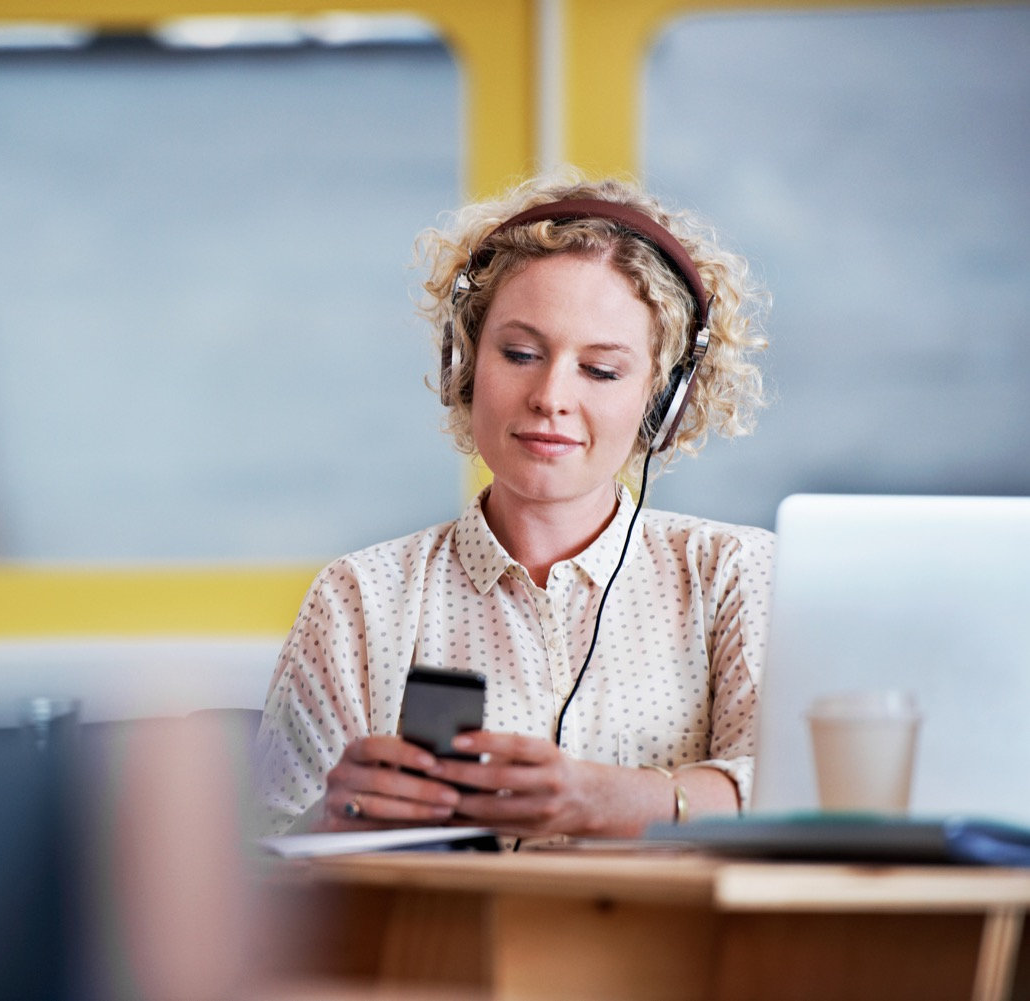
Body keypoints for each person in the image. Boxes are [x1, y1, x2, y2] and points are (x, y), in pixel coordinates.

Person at [254, 171, 772, 840]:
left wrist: (607, 799)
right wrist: (328, 821)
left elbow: (801, 797)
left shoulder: (733, 572)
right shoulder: (358, 598)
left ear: (663, 398)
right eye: (521, 353)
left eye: (602, 369)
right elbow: (257, 867)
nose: (550, 395)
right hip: (437, 946)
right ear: (465, 364)